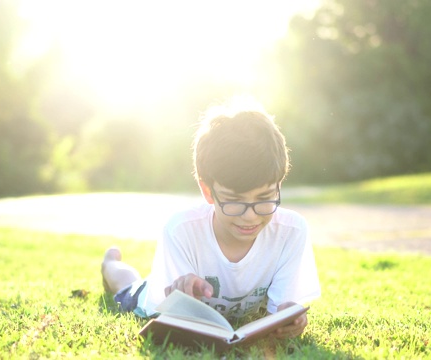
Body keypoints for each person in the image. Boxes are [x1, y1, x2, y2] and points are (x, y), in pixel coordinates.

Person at [101, 99, 320, 339]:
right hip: (146, 294)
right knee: (128, 285)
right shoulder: (181, 230)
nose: (250, 215)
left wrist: (291, 319)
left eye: (265, 197)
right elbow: (176, 319)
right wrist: (180, 295)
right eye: (234, 200)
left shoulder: (291, 231)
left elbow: (280, 313)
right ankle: (110, 264)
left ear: (279, 185)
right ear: (208, 192)